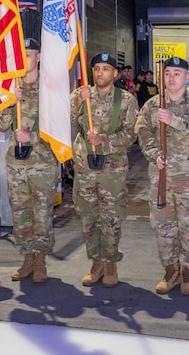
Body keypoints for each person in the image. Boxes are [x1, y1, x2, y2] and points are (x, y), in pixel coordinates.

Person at [135, 56, 189, 295]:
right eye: (167, 73)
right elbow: (142, 131)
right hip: (160, 178)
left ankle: (188, 272)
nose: (171, 78)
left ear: (186, 77)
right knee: (164, 227)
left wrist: (174, 121)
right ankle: (171, 271)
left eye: (177, 73)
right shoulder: (151, 106)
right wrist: (153, 153)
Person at [70, 52, 138, 287]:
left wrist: (104, 141)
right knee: (89, 216)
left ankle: (110, 264)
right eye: (96, 68)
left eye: (106, 69)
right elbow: (62, 118)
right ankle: (96, 262)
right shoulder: (81, 95)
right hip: (84, 166)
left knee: (110, 216)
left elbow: (131, 133)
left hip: (112, 168)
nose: (100, 73)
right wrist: (80, 101)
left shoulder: (126, 100)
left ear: (115, 73)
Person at [0, 39, 58, 283]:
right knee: (20, 213)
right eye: (22, 55)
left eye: (29, 55)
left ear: (39, 57)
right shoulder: (12, 88)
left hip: (42, 162)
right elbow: (0, 125)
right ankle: (27, 258)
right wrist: (10, 101)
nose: (26, 60)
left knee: (42, 213)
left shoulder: (50, 89)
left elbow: (59, 128)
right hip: (17, 164)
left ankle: (40, 260)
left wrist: (30, 136)